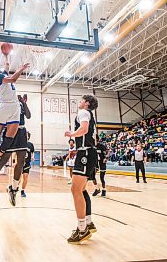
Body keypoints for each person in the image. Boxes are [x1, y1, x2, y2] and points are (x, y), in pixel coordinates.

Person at [0, 56, 30, 177]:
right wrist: (21, 68)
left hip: (12, 107)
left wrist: (6, 55)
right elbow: (13, 79)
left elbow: (6, 69)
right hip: (7, 107)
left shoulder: (0, 75)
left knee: (4, 138)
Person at [0, 92, 31, 206]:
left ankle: (13, 189)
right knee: (3, 161)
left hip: (22, 133)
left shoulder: (20, 104)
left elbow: (28, 115)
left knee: (20, 163)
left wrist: (24, 103)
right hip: (10, 131)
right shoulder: (6, 103)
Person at [64, 94, 98, 244]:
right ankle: (88, 223)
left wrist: (72, 133)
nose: (79, 102)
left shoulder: (83, 112)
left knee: (75, 190)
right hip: (88, 153)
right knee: (82, 190)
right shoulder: (88, 114)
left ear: (87, 103)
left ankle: (82, 229)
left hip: (85, 153)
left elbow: (83, 129)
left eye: (82, 100)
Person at [21, 131, 34, 198]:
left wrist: (32, 156)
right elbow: (15, 153)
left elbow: (32, 152)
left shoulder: (30, 145)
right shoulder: (20, 143)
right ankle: (14, 188)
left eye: (26, 135)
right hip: (20, 163)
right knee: (18, 178)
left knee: (25, 178)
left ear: (28, 136)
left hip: (27, 163)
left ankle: (22, 191)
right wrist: (14, 161)